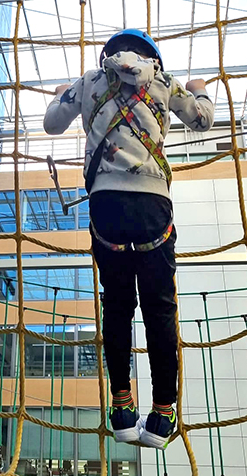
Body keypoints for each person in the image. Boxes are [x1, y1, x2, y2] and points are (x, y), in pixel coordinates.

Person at [43, 29, 213, 449]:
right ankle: (162, 414)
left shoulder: (90, 81)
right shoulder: (163, 80)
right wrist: (200, 90)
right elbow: (202, 120)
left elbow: (51, 124)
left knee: (117, 307)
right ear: (150, 56)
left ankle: (121, 408)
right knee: (159, 309)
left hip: (107, 208)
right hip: (153, 206)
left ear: (109, 55)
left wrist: (63, 93)